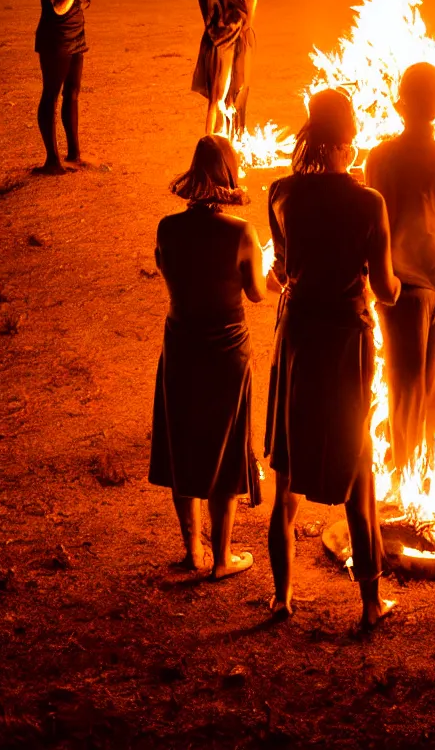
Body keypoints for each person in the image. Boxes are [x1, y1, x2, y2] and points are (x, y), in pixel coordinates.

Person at [264, 89, 401, 628]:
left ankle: (282, 597)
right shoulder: (368, 202)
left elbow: (281, 269)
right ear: (350, 138)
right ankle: (369, 604)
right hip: (346, 337)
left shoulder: (280, 193)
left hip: (298, 335)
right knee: (356, 466)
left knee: (288, 466)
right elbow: (387, 289)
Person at [149, 134, 265, 579]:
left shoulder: (167, 228)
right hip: (226, 349)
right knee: (226, 447)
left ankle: (192, 551)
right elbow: (255, 293)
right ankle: (222, 558)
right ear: (230, 175)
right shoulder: (240, 233)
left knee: (185, 442)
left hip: (181, 343)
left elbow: (167, 272)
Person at [365, 63, 435, 472]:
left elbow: (374, 225)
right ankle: (423, 479)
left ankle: (408, 483)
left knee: (403, 391)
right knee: (428, 387)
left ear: (400, 102)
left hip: (401, 286)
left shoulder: (381, 157)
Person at [190, 0, 283, 136]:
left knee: (236, 93)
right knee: (218, 97)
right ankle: (210, 145)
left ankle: (230, 143)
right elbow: (212, 14)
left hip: (237, 38)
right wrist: (231, 28)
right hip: (220, 39)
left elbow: (246, 17)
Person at [33, 0, 94, 174]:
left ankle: (74, 154)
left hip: (75, 40)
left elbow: (84, 1)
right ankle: (52, 161)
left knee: (72, 93)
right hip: (55, 42)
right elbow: (60, 6)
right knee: (51, 95)